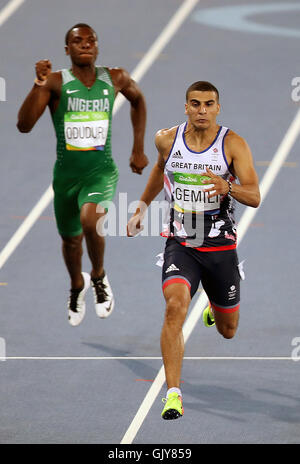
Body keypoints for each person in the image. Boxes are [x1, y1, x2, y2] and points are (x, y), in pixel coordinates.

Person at [127, 81, 260, 419]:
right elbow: (160, 167)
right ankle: (173, 393)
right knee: (175, 307)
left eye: (209, 104)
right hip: (181, 243)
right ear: (185, 106)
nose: (202, 110)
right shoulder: (167, 140)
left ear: (218, 108)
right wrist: (142, 206)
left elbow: (255, 196)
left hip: (220, 247)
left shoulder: (232, 144)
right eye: (195, 104)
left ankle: (216, 307)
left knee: (228, 331)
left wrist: (227, 186)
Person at [17, 23, 148, 326]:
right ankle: (78, 285)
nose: (85, 45)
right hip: (65, 177)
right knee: (71, 241)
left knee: (91, 219)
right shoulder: (54, 83)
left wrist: (138, 148)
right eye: (78, 41)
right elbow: (23, 125)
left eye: (91, 40)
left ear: (98, 46)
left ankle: (99, 276)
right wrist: (37, 84)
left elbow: (138, 100)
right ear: (67, 50)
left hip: (101, 172)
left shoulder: (115, 78)